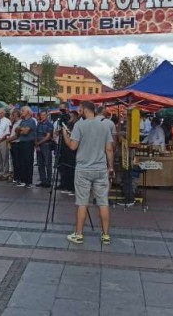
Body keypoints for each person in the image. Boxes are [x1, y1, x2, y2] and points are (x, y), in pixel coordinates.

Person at [62, 101, 114, 245]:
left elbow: (73, 146)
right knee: (103, 202)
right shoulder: (105, 126)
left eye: (79, 109)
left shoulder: (80, 125)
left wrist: (65, 135)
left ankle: (78, 234)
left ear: (85, 110)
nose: (78, 112)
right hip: (100, 169)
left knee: (82, 203)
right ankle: (106, 235)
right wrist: (110, 167)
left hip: (83, 169)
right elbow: (109, 149)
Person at [14, 106, 37, 188]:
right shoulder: (23, 121)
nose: (21, 112)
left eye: (23, 110)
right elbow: (16, 130)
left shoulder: (32, 121)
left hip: (28, 143)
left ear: (28, 112)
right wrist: (21, 129)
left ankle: (29, 181)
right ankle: (23, 180)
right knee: (22, 162)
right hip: (22, 142)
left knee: (28, 162)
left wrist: (20, 129)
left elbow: (25, 132)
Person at [0, 108, 12, 181]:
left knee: (5, 157)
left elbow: (7, 133)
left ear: (3, 113)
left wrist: (1, 139)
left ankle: (5, 173)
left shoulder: (7, 121)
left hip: (3, 141)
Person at [35, 111, 54, 188]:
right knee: (40, 164)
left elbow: (48, 137)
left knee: (48, 164)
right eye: (41, 115)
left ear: (47, 116)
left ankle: (48, 182)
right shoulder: (39, 123)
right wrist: (36, 144)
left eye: (44, 115)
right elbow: (35, 134)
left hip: (46, 145)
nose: (42, 116)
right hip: (39, 145)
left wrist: (38, 143)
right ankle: (43, 181)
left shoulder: (49, 124)